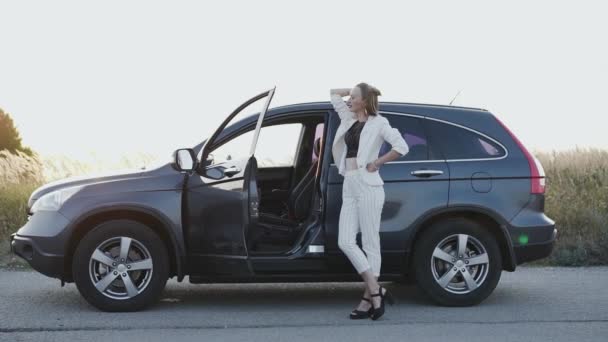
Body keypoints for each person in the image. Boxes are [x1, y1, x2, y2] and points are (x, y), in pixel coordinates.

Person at [330, 82, 409, 320]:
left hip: (369, 186)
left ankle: (368, 300)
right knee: (345, 241)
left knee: (370, 243)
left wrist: (379, 162)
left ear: (364, 101)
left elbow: (401, 147)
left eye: (354, 98)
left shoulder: (379, 123)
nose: (349, 101)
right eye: (350, 97)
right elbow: (333, 93)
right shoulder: (348, 118)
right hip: (349, 184)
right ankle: (376, 290)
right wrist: (354, 87)